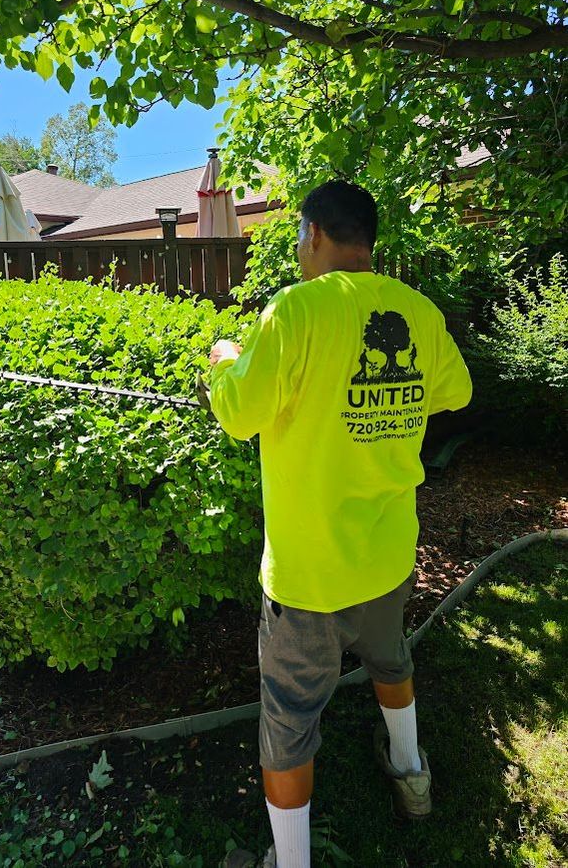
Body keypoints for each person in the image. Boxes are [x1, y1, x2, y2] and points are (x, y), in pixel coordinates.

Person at [208, 180, 472, 868]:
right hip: (387, 555)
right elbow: (456, 389)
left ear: (315, 234)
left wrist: (224, 362)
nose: (299, 248)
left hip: (308, 573)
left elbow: (239, 415)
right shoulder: (415, 309)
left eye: (299, 235)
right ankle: (412, 773)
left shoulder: (293, 311)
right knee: (391, 659)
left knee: (290, 720)